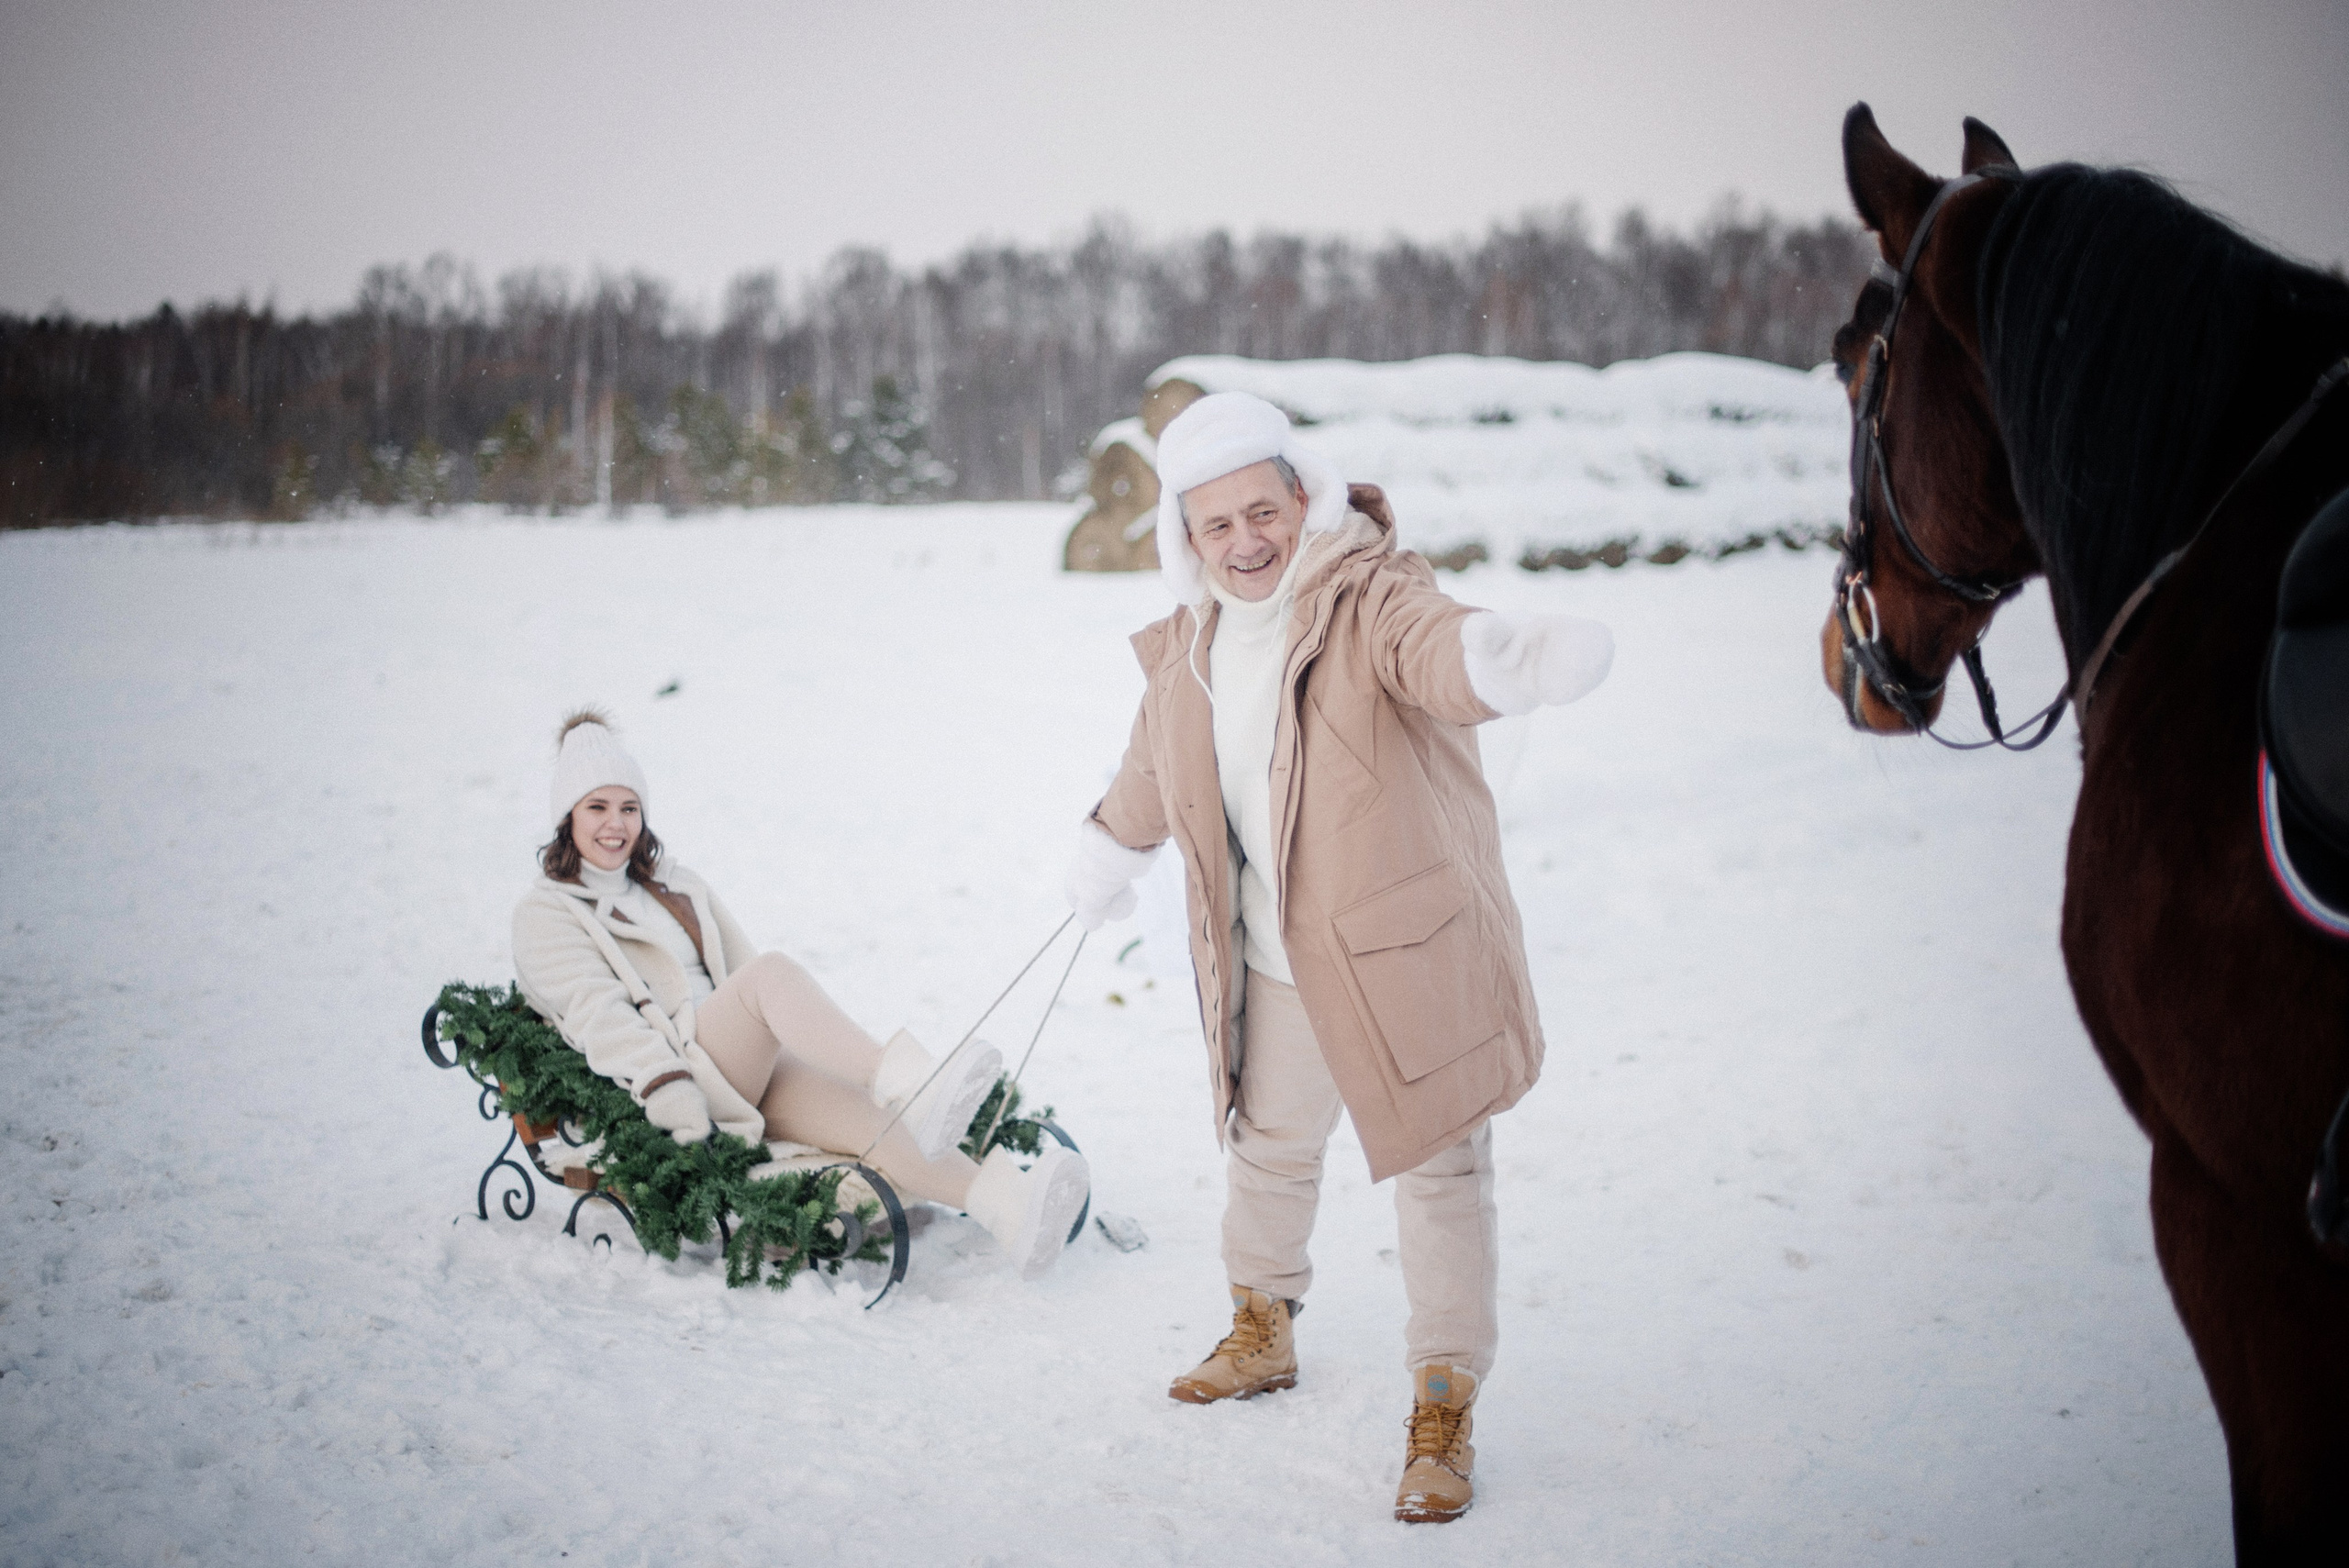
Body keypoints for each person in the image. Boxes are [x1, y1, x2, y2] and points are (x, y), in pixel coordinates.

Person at [1063, 392, 1611, 1521]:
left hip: (1400, 951)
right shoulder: (1191, 648)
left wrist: (1504, 660)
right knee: (1266, 1145)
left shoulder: (1367, 598)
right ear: (1185, 537)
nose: (1245, 541)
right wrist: (1105, 854)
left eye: (1261, 511)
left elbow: (1437, 648)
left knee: (1441, 1168)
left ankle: (1444, 1397)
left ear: (1302, 498)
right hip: (1271, 957)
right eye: (1216, 526)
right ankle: (1261, 1328)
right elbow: (1150, 772)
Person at [513, 710, 1089, 1279]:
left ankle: (1012, 1211)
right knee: (772, 973)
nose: (616, 824)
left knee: (875, 1121)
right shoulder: (547, 913)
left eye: (628, 808)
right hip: (683, 1082)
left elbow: (739, 974)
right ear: (568, 816)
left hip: (743, 1067)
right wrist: (671, 1094)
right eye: (597, 807)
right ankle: (912, 1077)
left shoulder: (677, 886)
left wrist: (808, 1049)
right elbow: (601, 1016)